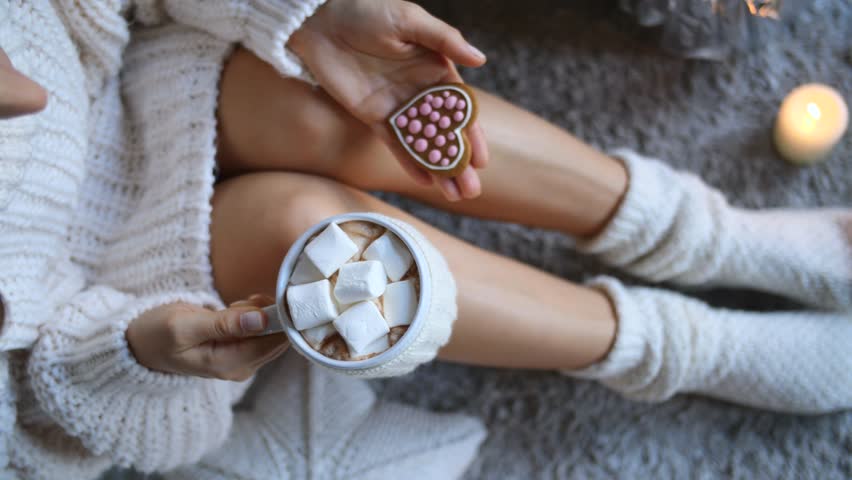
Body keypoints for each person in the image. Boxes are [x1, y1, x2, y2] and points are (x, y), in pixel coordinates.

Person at [0, 0, 849, 478]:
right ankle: (677, 348)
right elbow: (47, 444)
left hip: (138, 86)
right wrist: (134, 356)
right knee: (320, 247)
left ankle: (701, 235)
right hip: (117, 297)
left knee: (323, 98)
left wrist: (298, 16)